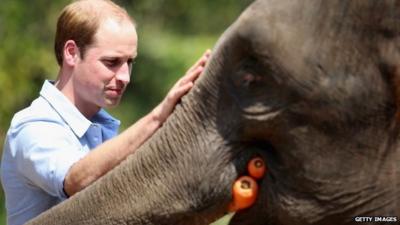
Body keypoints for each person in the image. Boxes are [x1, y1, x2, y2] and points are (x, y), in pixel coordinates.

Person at [0, 0, 211, 224]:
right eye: (112, 62)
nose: (125, 77)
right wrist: (157, 117)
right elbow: (75, 180)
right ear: (71, 53)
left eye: (129, 62)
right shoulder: (33, 126)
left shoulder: (102, 128)